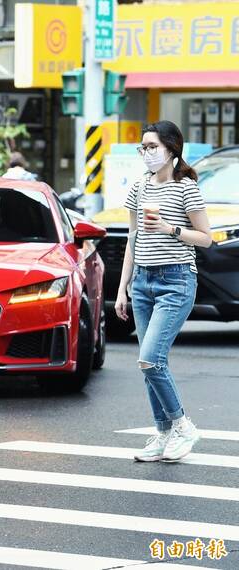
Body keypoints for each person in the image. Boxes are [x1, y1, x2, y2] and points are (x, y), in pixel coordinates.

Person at [115, 120, 212, 463]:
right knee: (149, 364)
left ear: (172, 149)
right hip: (142, 281)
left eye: (152, 147)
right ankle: (163, 432)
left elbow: (206, 238)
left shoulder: (186, 188)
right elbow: (132, 239)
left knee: (150, 358)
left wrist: (171, 228)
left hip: (176, 281)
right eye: (143, 147)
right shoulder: (140, 187)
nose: (146, 153)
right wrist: (123, 288)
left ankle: (183, 425)